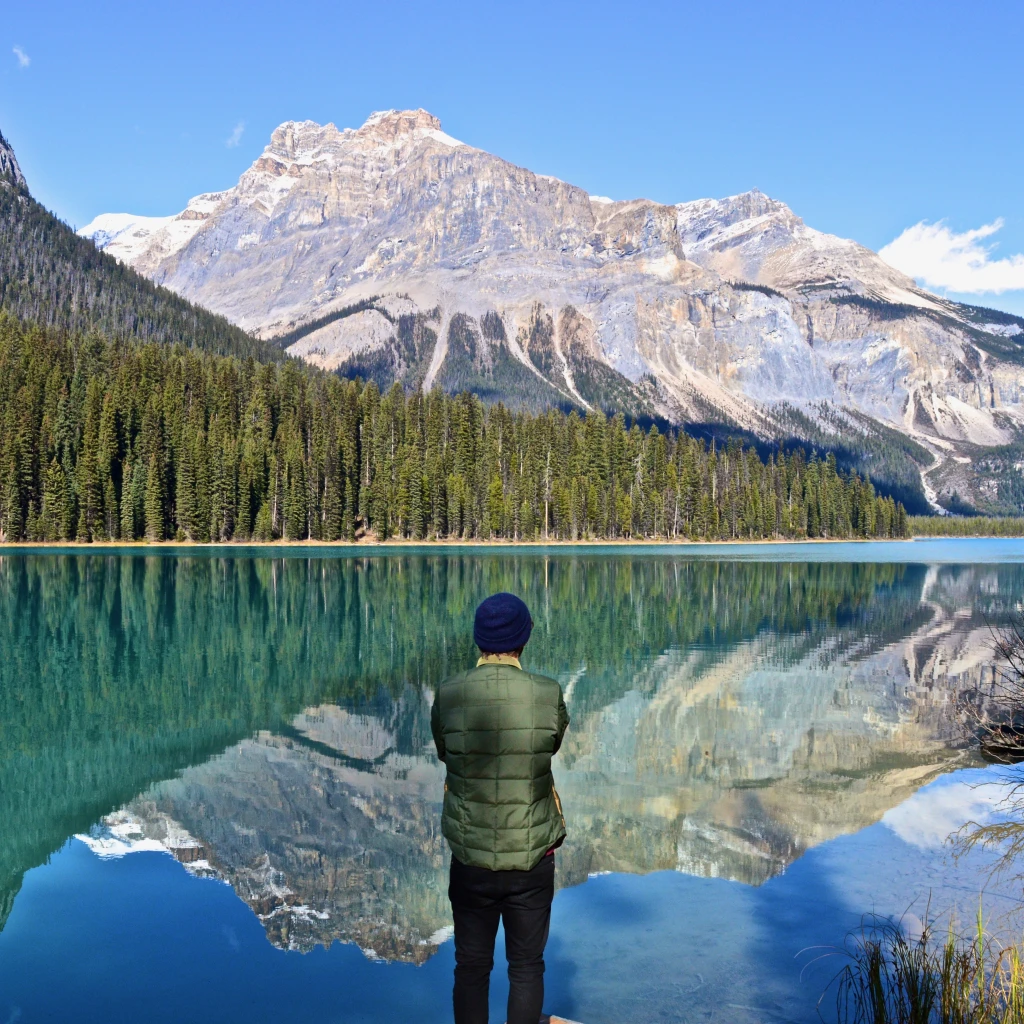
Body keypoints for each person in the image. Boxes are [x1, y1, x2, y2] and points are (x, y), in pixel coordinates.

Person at [431, 592, 570, 1024]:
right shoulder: (547, 693)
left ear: (478, 641)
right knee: (526, 967)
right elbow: (552, 743)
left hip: (471, 860)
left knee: (471, 967)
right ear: (523, 639)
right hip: (532, 859)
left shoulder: (449, 693)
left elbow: (444, 751)